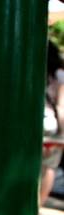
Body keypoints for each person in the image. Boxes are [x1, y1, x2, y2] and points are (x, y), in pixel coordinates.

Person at [41, 40, 64, 205]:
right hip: (52, 125)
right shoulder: (60, 76)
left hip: (32, 124)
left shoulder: (32, 70)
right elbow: (61, 106)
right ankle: (37, 204)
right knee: (49, 167)